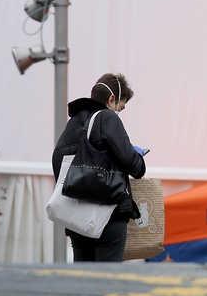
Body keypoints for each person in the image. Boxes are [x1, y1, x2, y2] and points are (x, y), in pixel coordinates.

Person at [52, 72, 146, 262]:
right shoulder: (107, 118)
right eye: (121, 107)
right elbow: (135, 167)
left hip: (77, 220)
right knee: (107, 282)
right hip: (107, 217)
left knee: (84, 283)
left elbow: (59, 167)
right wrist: (138, 155)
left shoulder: (71, 126)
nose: (119, 111)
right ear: (111, 99)